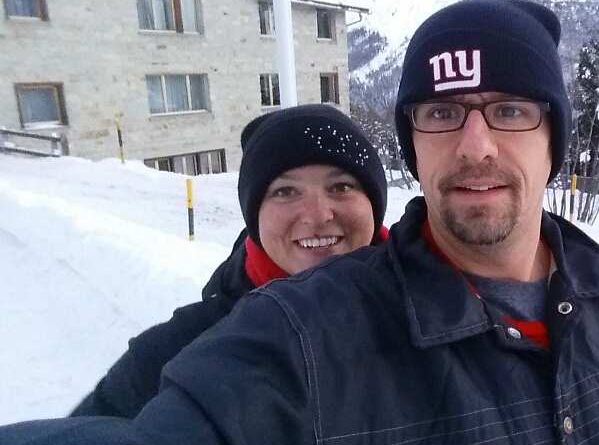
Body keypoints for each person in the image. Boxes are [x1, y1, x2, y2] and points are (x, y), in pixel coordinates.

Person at [0, 0, 599, 445]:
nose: (476, 144)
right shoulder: (302, 340)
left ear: (553, 140)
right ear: (414, 142)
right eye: (443, 113)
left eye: (510, 110)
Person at [71, 103, 389, 419]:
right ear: (254, 216)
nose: (317, 215)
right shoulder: (177, 355)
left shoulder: (416, 314)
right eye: (285, 191)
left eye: (341, 186)